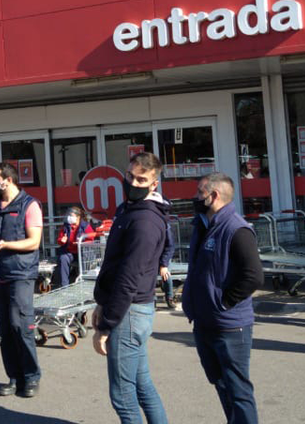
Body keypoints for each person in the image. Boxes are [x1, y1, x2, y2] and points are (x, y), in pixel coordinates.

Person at [91, 152, 170, 424]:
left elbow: (128, 278)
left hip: (129, 313)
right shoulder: (129, 210)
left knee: (123, 397)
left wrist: (106, 326)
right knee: (141, 385)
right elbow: (114, 266)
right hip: (129, 310)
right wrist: (101, 302)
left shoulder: (145, 220)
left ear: (153, 185)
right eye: (130, 176)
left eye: (141, 179)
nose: (133, 183)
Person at [182, 173, 263, 424]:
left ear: (213, 196)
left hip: (230, 326)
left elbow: (253, 277)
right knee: (221, 385)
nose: (195, 197)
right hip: (204, 322)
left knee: (238, 391)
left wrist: (224, 302)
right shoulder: (202, 225)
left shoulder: (237, 229)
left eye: (199, 193)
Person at [0, 162, 43, 398]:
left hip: (20, 274)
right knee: (4, 329)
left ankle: (31, 377)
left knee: (21, 326)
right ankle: (13, 378)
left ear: (9, 180)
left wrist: (6, 244)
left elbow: (34, 242)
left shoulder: (30, 205)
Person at [54, 206, 95, 288]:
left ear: (78, 217)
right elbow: (59, 239)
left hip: (83, 252)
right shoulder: (65, 227)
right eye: (68, 215)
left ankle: (85, 283)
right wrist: (62, 240)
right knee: (63, 258)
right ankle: (64, 286)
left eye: (72, 215)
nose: (69, 217)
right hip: (70, 252)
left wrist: (81, 242)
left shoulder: (85, 226)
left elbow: (92, 237)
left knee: (85, 260)